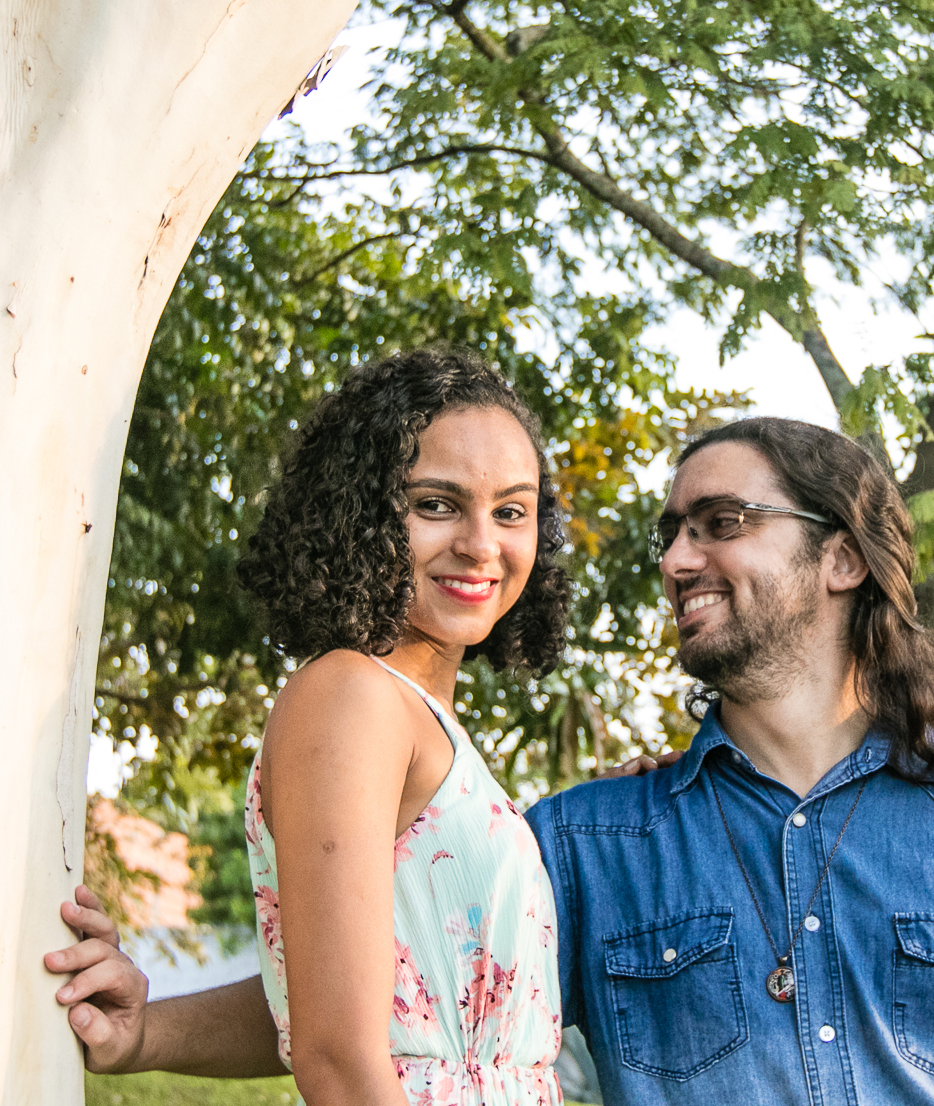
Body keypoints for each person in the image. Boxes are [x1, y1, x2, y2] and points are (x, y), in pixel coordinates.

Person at [48, 415, 934, 1106]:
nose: (675, 558)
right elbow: (393, 990)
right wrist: (150, 1028)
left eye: (719, 523)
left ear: (840, 559)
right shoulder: (589, 843)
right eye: (670, 532)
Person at [54, 348, 573, 1104]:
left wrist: (146, 1032)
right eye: (436, 503)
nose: (481, 543)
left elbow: (361, 1009)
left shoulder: (418, 714)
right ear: (362, 512)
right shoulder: (352, 695)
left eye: (511, 510)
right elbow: (338, 1061)